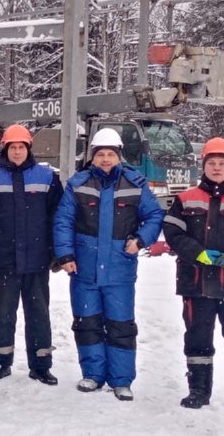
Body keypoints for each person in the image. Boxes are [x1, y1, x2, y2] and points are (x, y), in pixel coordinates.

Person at [53, 127, 164, 401]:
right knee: (87, 322)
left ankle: (121, 380)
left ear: (119, 156)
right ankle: (92, 374)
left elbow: (154, 215)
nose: (105, 159)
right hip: (84, 268)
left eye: (110, 154)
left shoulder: (135, 183)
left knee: (120, 324)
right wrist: (65, 255)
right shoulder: (78, 183)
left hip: (120, 269)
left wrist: (140, 239)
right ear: (92, 156)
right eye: (100, 154)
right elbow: (63, 220)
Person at [163, 137, 224, 413]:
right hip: (196, 283)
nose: (216, 168)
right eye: (211, 163)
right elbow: (173, 232)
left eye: (221, 163)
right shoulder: (185, 199)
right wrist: (197, 253)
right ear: (203, 166)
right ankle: (199, 391)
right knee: (197, 338)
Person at [0, 124, 63, 384]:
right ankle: (1, 362)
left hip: (37, 261)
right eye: (12, 147)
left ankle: (40, 365)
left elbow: (58, 216)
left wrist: (58, 251)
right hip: (2, 261)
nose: (16, 152)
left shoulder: (47, 177)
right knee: (1, 315)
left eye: (21, 147)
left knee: (39, 315)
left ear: (28, 148)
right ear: (5, 149)